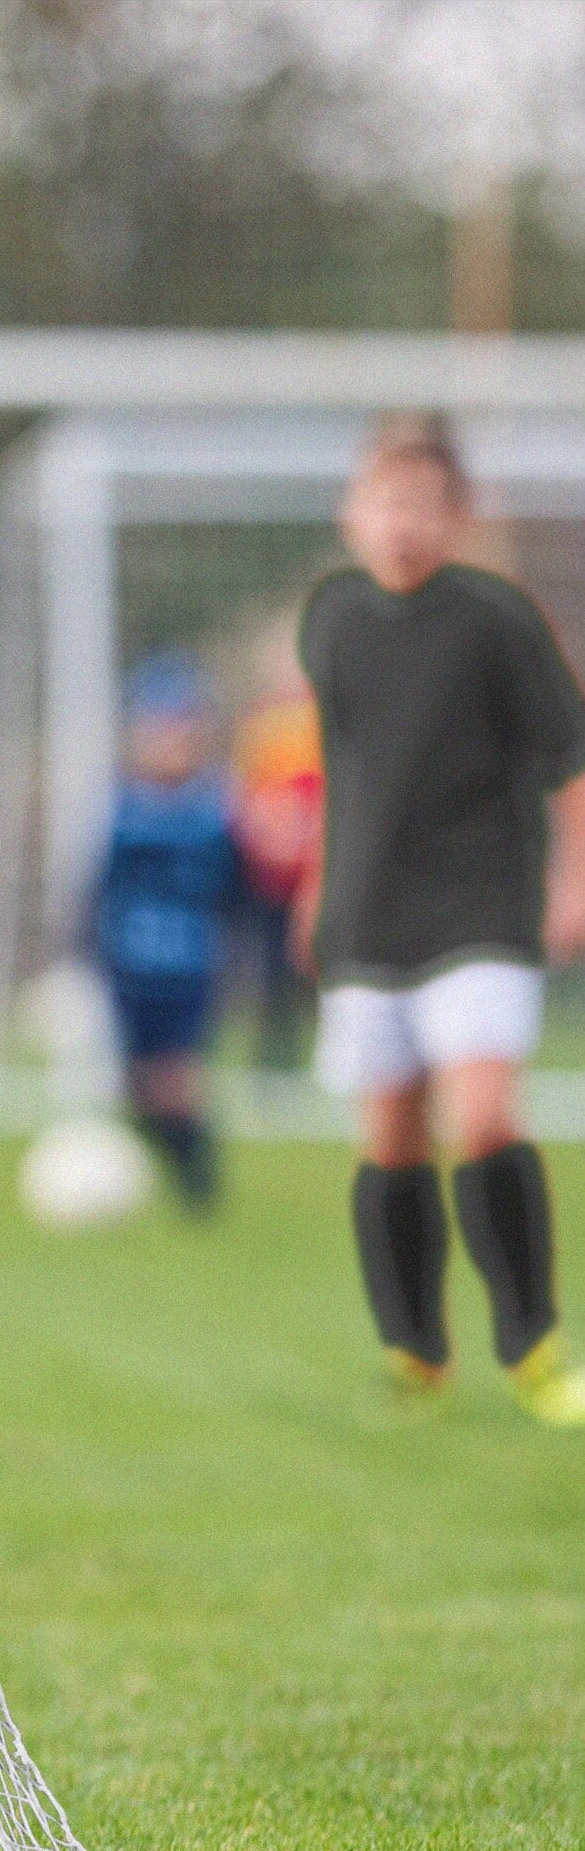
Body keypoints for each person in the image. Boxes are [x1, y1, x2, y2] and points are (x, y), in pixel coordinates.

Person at [301, 416, 585, 1419]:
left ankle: (533, 1344)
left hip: (481, 905)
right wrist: (315, 890)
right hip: (368, 915)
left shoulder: (496, 620)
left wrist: (571, 880)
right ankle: (414, 1351)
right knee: (388, 1138)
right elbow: (347, 773)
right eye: (383, 501)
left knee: (483, 1115)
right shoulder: (329, 622)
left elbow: (567, 761)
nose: (400, 523)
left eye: (422, 504)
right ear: (352, 513)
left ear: (457, 517)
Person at [90, 654, 241, 1209]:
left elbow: (239, 892)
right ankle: (174, 1167)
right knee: (138, 1086)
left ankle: (200, 1188)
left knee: (177, 1077)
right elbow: (96, 891)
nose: (172, 742)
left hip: (189, 968)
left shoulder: (218, 807)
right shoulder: (121, 808)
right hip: (130, 967)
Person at [228, 636, 325, 1071]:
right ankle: (276, 1062)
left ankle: (335, 1058)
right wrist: (267, 838)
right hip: (271, 876)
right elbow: (249, 795)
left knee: (320, 968)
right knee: (272, 970)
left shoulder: (326, 720)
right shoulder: (262, 723)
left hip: (317, 872)